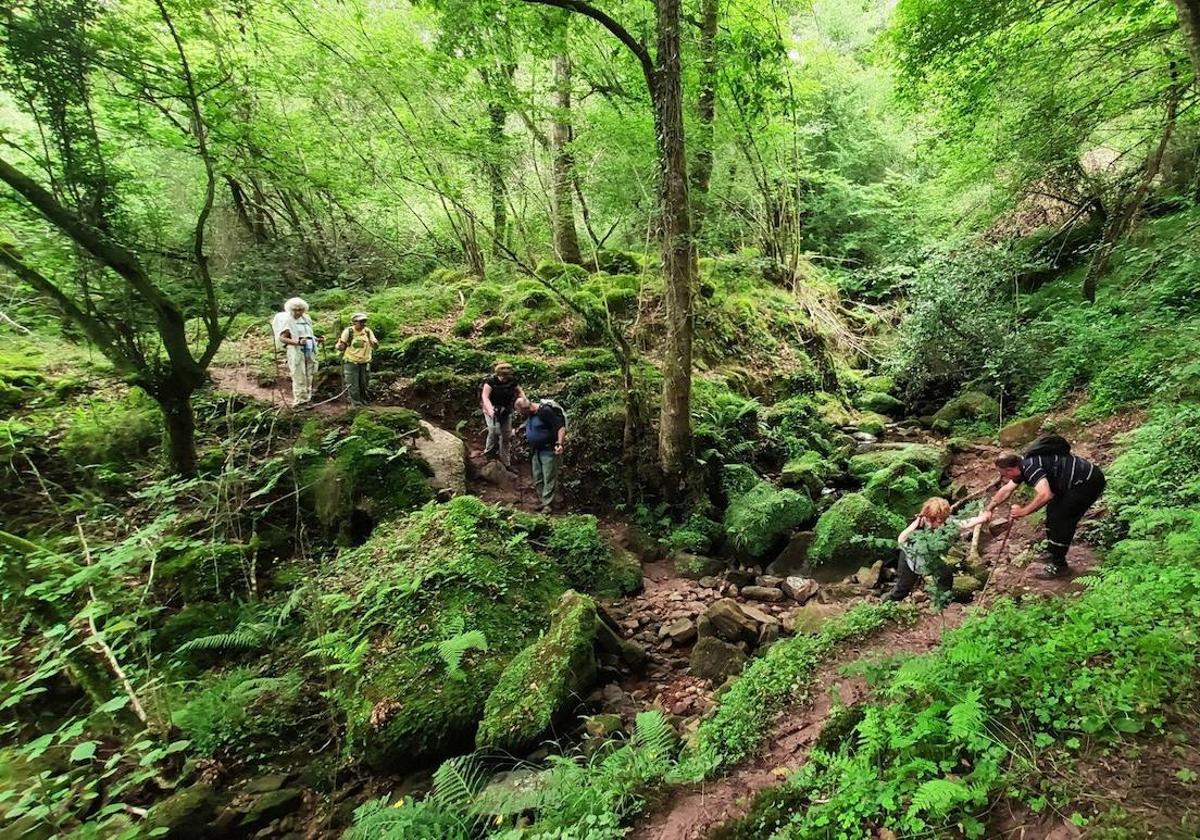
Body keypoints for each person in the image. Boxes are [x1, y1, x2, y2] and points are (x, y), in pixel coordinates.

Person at [969, 443, 1105, 579]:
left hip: (1087, 482)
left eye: (1003, 474)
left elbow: (1046, 494)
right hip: (1074, 483)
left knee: (1062, 518)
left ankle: (1059, 566)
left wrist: (1024, 511)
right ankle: (1053, 552)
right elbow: (1006, 490)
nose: (1004, 477)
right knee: (1052, 512)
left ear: (1010, 470)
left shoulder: (1030, 468)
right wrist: (989, 509)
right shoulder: (1022, 465)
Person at [883, 497, 955, 602]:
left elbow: (963, 523)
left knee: (946, 575)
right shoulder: (918, 523)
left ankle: (942, 601)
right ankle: (886, 603)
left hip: (928, 559)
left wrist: (982, 518)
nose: (940, 525)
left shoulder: (943, 523)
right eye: (938, 521)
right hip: (910, 559)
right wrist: (915, 525)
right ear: (929, 516)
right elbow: (901, 539)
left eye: (942, 520)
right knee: (902, 589)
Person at [516, 396, 566, 512]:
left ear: (527, 409)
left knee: (549, 477)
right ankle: (543, 501)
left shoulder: (545, 412)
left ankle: (547, 504)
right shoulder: (530, 414)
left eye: (521, 412)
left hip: (548, 449)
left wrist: (559, 443)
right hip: (535, 450)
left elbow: (561, 428)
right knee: (538, 477)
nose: (520, 415)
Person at [276, 297, 322, 407]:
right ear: (290, 310)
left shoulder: (307, 319)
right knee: (298, 375)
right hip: (296, 351)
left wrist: (316, 339)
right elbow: (282, 338)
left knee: (309, 374)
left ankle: (307, 398)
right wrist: (297, 342)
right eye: (295, 309)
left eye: (300, 309)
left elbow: (308, 334)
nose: (298, 312)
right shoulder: (288, 321)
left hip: (309, 350)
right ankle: (299, 401)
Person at [481, 362, 526, 467]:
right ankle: (488, 454)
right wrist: (490, 409)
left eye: (507, 375)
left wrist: (524, 401)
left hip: (506, 410)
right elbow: (485, 396)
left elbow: (520, 391)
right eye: (503, 376)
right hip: (491, 410)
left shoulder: (512, 381)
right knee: (493, 431)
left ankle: (505, 462)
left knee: (506, 435)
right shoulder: (490, 381)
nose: (505, 378)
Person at [336, 313, 379, 408]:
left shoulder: (367, 331)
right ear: (354, 322)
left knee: (364, 384)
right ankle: (356, 405)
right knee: (353, 385)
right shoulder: (349, 332)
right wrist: (339, 346)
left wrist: (375, 343)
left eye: (364, 321)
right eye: (361, 322)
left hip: (364, 362)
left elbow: (375, 344)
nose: (363, 324)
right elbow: (341, 346)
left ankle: (364, 402)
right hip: (351, 362)